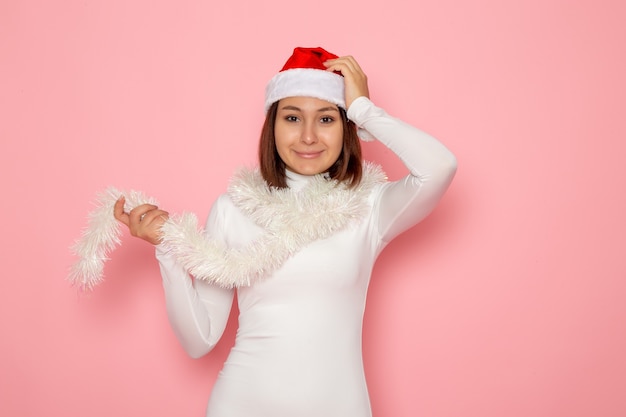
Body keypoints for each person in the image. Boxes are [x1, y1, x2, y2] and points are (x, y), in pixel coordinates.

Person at [113, 47, 457, 417]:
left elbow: (439, 167)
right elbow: (199, 340)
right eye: (293, 118)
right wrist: (169, 248)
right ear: (272, 125)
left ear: (346, 128)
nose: (308, 136)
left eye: (326, 119)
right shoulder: (233, 209)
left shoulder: (370, 207)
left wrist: (363, 110)